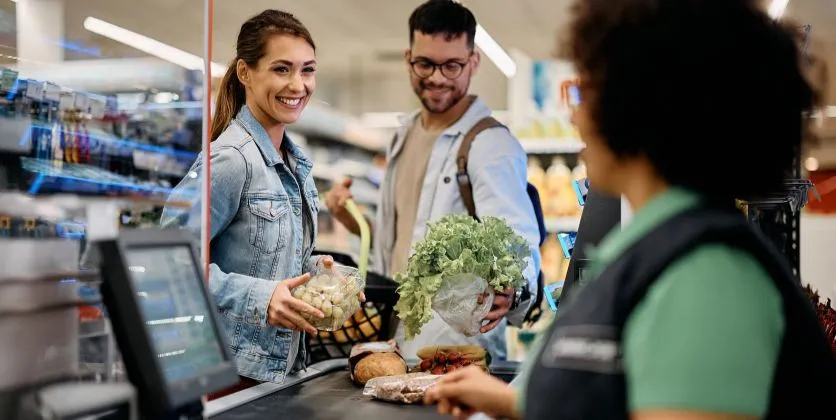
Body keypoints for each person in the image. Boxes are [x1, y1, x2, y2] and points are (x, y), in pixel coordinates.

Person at [424, 1, 836, 419]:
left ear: (640, 105)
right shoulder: (656, 251)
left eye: (586, 90)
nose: (575, 112)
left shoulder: (705, 277)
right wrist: (511, 402)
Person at [325, 0, 542, 360]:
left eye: (452, 65)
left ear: (473, 62)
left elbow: (517, 242)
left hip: (457, 353)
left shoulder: (490, 144)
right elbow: (407, 244)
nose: (437, 77)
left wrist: (512, 290)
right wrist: (354, 221)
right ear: (409, 57)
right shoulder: (404, 135)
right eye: (425, 63)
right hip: (394, 343)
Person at [161, 9, 357, 394]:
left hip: (277, 374)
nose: (298, 85)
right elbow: (170, 262)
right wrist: (261, 298)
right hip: (228, 377)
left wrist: (320, 274)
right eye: (282, 69)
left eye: (308, 70)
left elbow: (265, 258)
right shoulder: (231, 158)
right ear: (245, 73)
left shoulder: (294, 162)